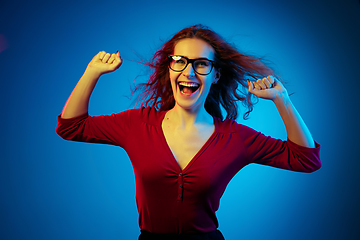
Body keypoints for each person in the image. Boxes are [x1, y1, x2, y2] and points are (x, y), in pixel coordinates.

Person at [56, 25, 321, 240]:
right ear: (169, 68)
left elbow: (306, 159)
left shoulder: (235, 137)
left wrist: (282, 100)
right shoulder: (138, 124)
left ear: (215, 75)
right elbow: (71, 127)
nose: (188, 71)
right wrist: (92, 72)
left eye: (201, 64)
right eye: (179, 61)